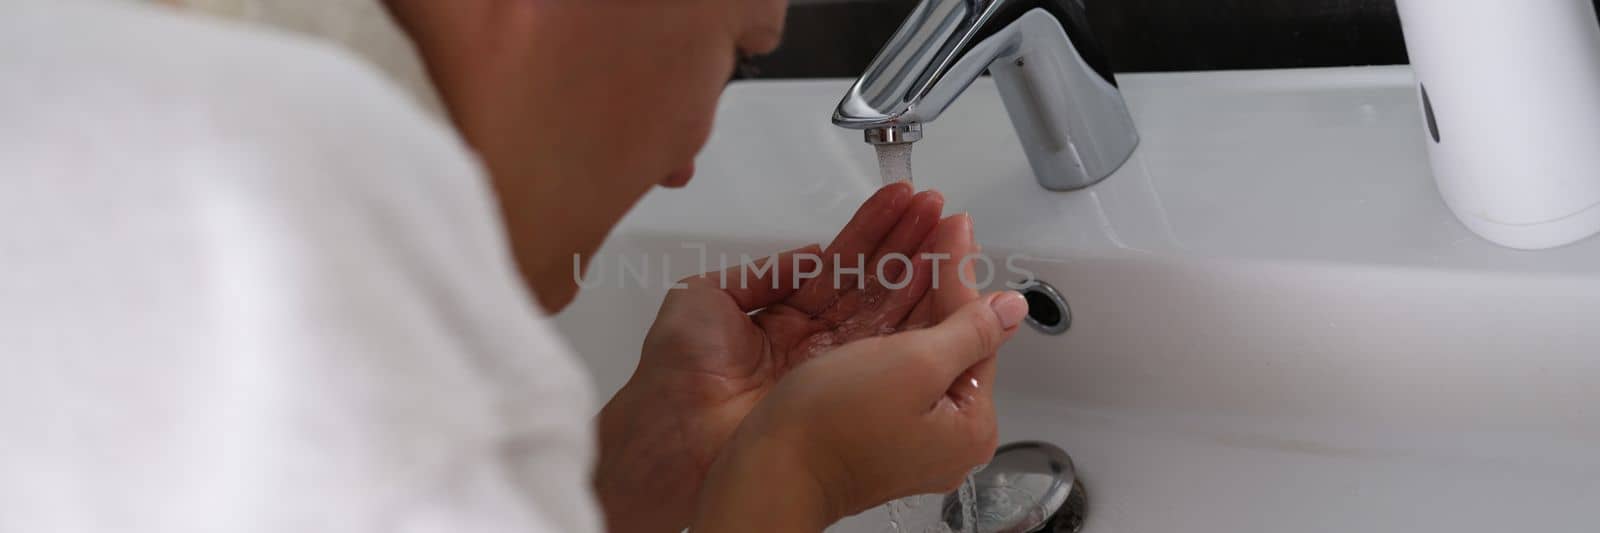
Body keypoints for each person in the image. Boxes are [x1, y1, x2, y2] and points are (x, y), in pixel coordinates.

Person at [0, 1, 1031, 532]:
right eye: (738, 54)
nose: (688, 162)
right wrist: (798, 471)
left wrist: (636, 464)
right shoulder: (274, 194)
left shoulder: (89, 68)